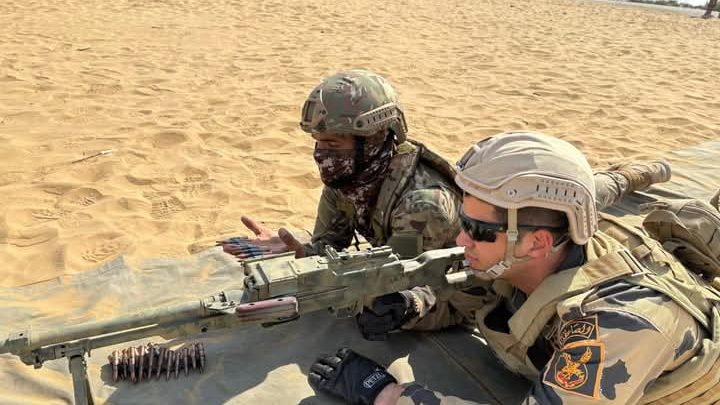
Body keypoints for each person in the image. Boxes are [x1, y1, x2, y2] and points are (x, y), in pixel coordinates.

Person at [308, 132, 720, 405]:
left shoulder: (622, 326)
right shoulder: (520, 252)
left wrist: (387, 394)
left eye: (476, 230)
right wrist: (413, 306)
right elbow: (471, 295)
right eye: (463, 222)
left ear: (537, 242)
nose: (460, 239)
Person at [219, 69, 671, 262]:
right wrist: (301, 250)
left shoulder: (423, 207)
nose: (321, 154)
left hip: (519, 210)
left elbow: (394, 279)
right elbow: (332, 247)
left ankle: (638, 173)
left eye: (333, 143)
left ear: (373, 141)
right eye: (318, 143)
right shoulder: (349, 179)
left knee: (589, 192)